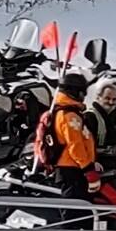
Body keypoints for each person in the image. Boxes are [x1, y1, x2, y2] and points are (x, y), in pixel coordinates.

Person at [41, 70, 98, 206]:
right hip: (71, 170)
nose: (84, 97)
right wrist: (88, 169)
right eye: (82, 92)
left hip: (71, 168)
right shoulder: (69, 116)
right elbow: (75, 145)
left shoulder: (66, 112)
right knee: (76, 209)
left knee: (80, 208)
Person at [88, 78, 116, 180]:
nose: (111, 102)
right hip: (97, 168)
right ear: (98, 97)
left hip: (114, 167)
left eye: (114, 99)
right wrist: (91, 163)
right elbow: (83, 144)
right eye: (107, 98)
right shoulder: (90, 117)